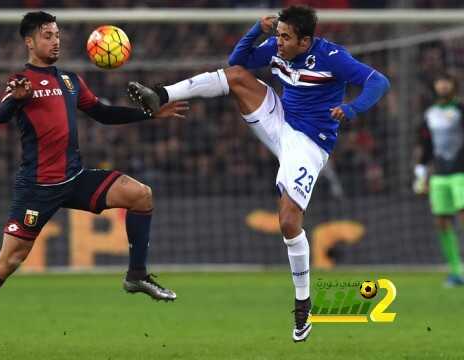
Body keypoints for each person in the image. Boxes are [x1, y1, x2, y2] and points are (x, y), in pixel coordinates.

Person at [128, 5, 389, 342]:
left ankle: (302, 304)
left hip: (309, 143)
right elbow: (238, 62)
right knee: (236, 77)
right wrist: (256, 31)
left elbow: (378, 81)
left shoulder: (332, 56)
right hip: (279, 120)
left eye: (285, 37)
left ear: (305, 41)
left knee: (288, 222)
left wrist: (352, 108)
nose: (278, 42)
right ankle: (160, 95)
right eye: (277, 35)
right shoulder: (277, 47)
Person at [0, 11, 188, 360]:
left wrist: (149, 114)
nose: (55, 40)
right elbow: (0, 116)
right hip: (37, 188)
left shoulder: (71, 81)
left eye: (57, 34)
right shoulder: (21, 80)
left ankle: (136, 275)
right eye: (47, 35)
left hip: (74, 178)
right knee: (9, 260)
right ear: (29, 41)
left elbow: (103, 113)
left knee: (140, 195)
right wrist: (16, 98)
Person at [413, 74, 464, 287]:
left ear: (454, 85)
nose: (442, 84)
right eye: (439, 81)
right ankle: (456, 272)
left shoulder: (461, 109)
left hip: (461, 173)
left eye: (446, 81)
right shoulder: (430, 114)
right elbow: (425, 147)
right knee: (442, 223)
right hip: (439, 176)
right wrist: (420, 175)